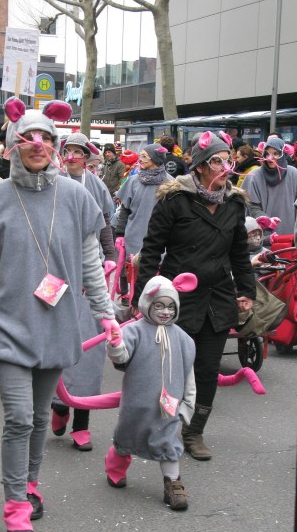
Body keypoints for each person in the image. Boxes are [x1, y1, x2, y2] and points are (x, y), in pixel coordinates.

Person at [0, 98, 121, 532]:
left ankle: (31, 484)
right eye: (28, 137)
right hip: (7, 325)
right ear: (13, 146)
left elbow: (92, 264)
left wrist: (107, 316)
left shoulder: (76, 196)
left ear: (55, 146)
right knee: (18, 416)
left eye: (46, 138)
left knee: (38, 417)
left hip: (57, 326)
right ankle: (16, 505)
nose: (37, 144)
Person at [132, 131, 256, 460]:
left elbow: (240, 253)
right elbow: (152, 250)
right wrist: (142, 294)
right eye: (217, 160)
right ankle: (167, 426)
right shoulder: (175, 199)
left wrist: (246, 290)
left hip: (217, 297)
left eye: (227, 159)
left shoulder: (234, 203)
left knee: (207, 367)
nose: (225, 166)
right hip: (179, 297)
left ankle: (195, 430)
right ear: (200, 166)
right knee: (173, 368)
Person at [105, 274, 196, 510]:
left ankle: (173, 485)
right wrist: (115, 345)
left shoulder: (185, 340)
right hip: (136, 405)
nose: (165, 312)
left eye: (170, 307)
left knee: (168, 444)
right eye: (159, 305)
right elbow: (122, 358)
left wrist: (187, 407)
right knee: (125, 439)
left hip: (168, 408)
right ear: (147, 304)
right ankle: (114, 467)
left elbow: (189, 376)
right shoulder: (134, 331)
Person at [51, 132, 116, 450]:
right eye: (68, 151)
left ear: (88, 156)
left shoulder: (97, 185)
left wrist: (112, 256)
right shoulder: (50, 183)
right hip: (56, 273)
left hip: (90, 275)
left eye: (79, 151)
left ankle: (83, 420)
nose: (73, 155)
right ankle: (59, 404)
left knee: (90, 350)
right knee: (54, 340)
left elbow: (105, 223)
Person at [114, 143, 171, 306]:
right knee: (133, 273)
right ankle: (133, 301)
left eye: (145, 156)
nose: (141, 159)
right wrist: (119, 234)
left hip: (161, 239)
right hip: (134, 236)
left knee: (157, 275)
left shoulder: (170, 183)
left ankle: (155, 304)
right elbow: (124, 210)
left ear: (155, 159)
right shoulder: (132, 181)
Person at [242, 136, 297, 243]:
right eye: (267, 153)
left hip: (290, 236)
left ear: (283, 154)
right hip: (261, 238)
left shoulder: (294, 174)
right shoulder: (253, 176)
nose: (270, 158)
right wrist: (263, 218)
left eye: (275, 153)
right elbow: (250, 206)